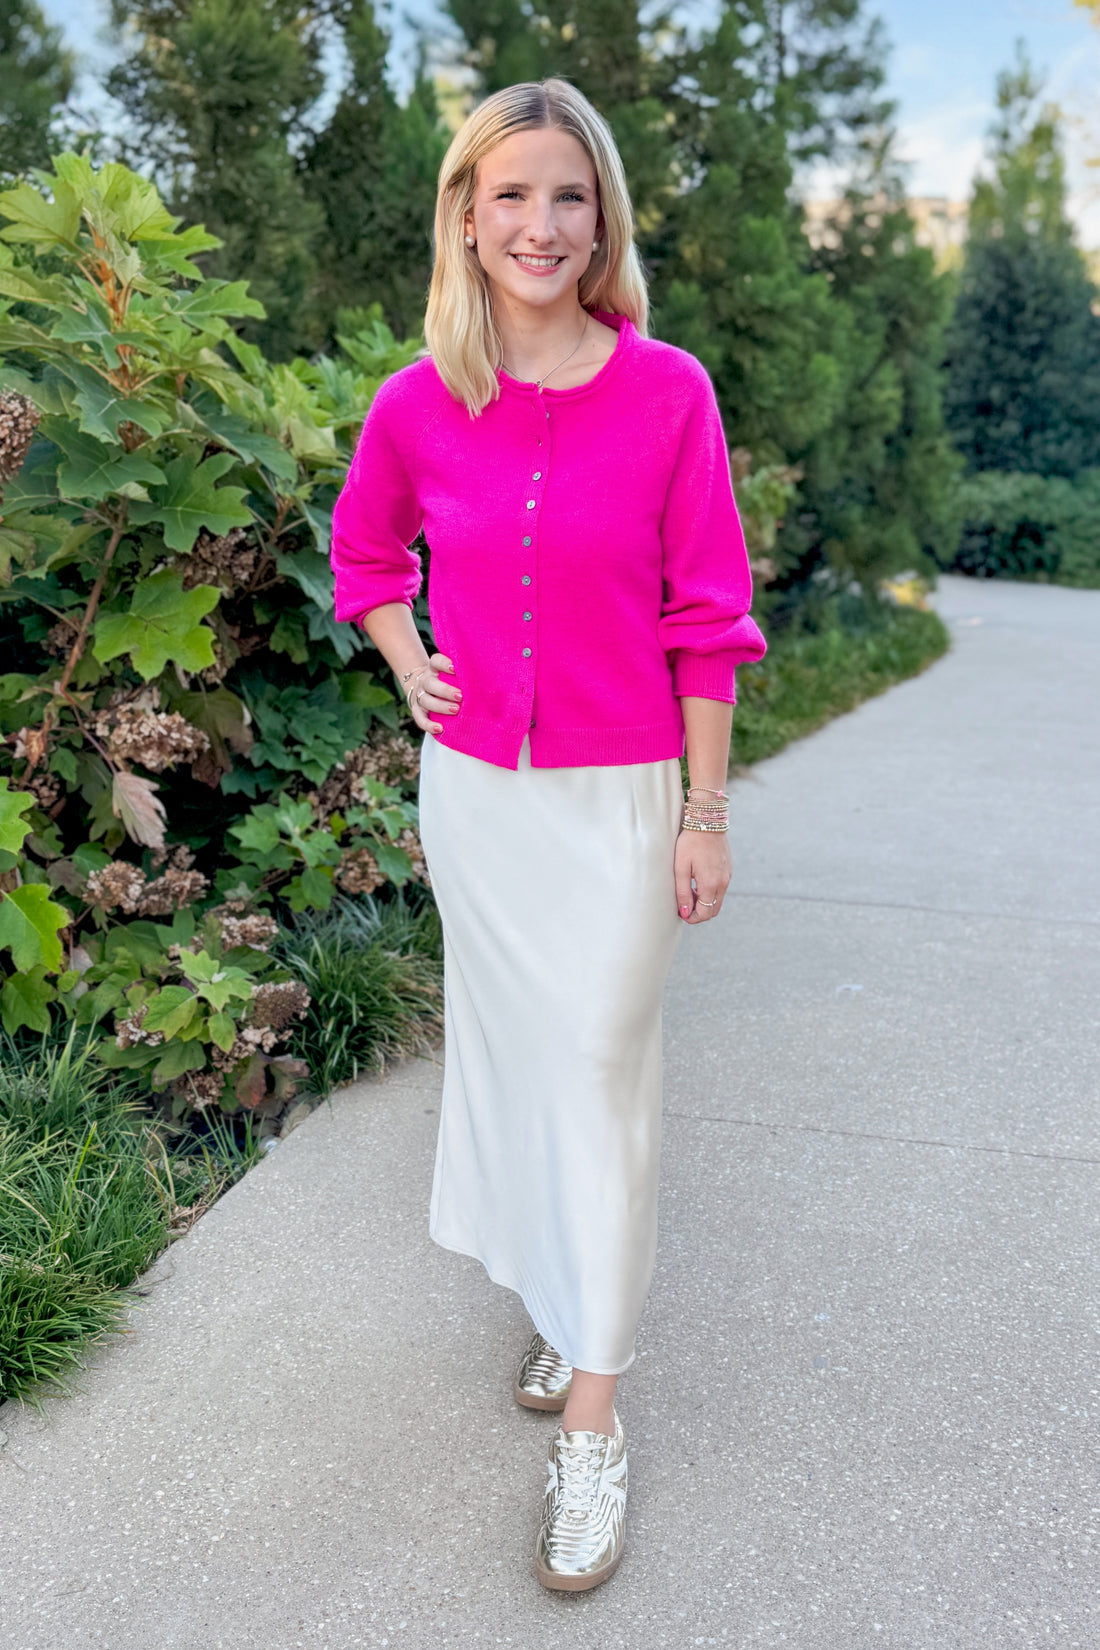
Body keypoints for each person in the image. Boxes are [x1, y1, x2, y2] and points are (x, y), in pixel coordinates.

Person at [330, 76, 766, 1593]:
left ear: (605, 221)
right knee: (522, 1065)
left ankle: (595, 1417)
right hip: (481, 801)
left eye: (569, 196)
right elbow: (364, 549)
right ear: (465, 214)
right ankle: (568, 1294)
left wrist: (705, 813)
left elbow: (708, 618)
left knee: (600, 1073)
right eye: (510, 194)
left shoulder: (671, 395)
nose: (540, 223)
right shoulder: (415, 400)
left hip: (623, 797)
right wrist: (404, 654)